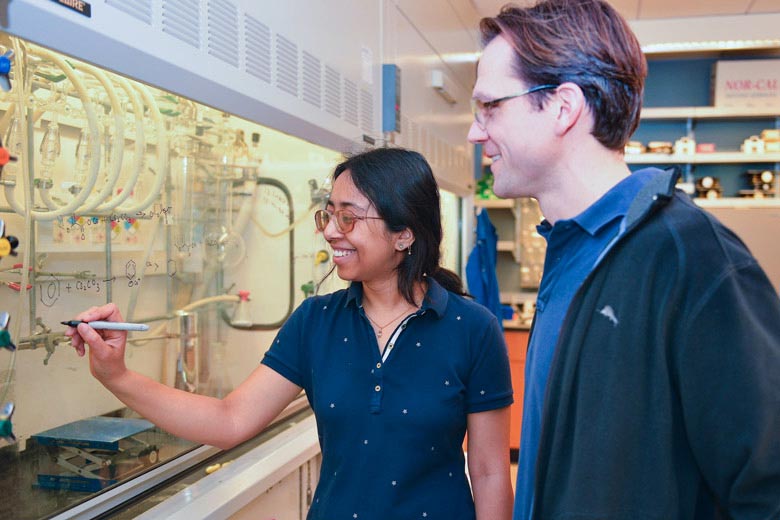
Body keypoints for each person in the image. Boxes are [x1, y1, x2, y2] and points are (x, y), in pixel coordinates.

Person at [67, 147, 514, 520]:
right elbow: (229, 421)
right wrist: (116, 376)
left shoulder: (471, 329)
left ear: (403, 235)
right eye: (329, 215)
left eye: (350, 219)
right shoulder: (316, 321)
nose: (331, 233)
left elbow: (492, 470)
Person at [467, 1, 780, 519]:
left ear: (563, 107)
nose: (477, 132)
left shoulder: (691, 257)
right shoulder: (569, 250)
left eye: (491, 106)